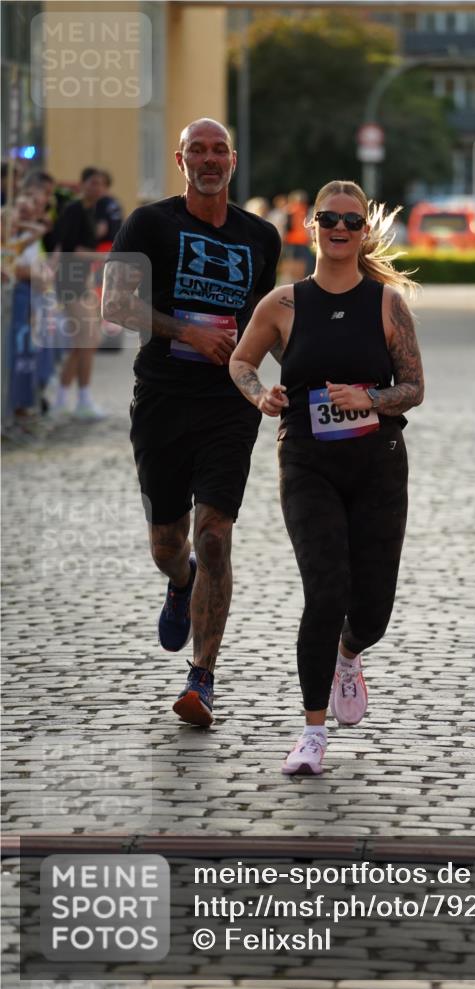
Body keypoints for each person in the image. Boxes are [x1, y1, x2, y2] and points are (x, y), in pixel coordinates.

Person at [229, 179, 425, 775]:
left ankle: (349, 653)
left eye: (351, 220)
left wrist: (369, 397)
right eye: (328, 218)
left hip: (378, 466)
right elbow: (242, 360)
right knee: (325, 591)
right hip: (307, 462)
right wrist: (262, 393)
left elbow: (414, 388)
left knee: (372, 611)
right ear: (310, 226)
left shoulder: (388, 304)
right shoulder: (283, 305)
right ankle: (311, 735)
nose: (339, 229)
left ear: (363, 231)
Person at [102, 118, 281, 728]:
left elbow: (266, 322)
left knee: (215, 533)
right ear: (182, 160)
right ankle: (180, 584)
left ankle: (201, 678)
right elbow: (116, 304)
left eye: (220, 150)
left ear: (234, 159)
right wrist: (187, 331)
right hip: (162, 399)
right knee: (168, 544)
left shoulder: (261, 236)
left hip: (230, 401)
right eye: (198, 150)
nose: (210, 159)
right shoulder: (148, 224)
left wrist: (315, 379)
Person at [51, 166, 108, 419]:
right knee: (87, 339)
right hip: (70, 282)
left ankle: (63, 399)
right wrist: (104, 256)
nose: (96, 187)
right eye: (92, 182)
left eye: (101, 183)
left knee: (86, 341)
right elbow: (70, 250)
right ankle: (81, 399)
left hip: (82, 282)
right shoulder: (74, 210)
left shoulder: (88, 211)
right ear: (83, 184)